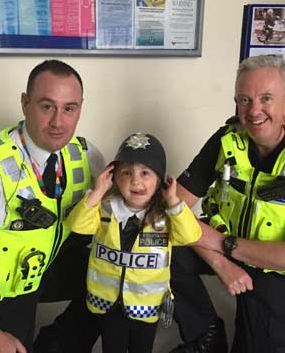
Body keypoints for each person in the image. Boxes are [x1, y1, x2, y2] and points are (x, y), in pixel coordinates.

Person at [0, 59, 104, 352]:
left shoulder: (84, 154)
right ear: (26, 104)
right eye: (47, 106)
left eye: (69, 108)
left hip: (50, 262)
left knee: (116, 282)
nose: (58, 122)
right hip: (4, 284)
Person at [169, 54, 285, 353]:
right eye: (244, 100)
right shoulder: (227, 139)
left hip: (274, 267)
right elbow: (170, 206)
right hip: (226, 244)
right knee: (159, 244)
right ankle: (205, 336)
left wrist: (223, 245)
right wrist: (222, 262)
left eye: (266, 98)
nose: (254, 110)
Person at [66, 132, 206, 353]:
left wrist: (173, 201)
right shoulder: (104, 207)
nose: (135, 181)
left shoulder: (166, 215)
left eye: (145, 173)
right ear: (114, 177)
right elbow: (77, 225)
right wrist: (98, 191)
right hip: (107, 304)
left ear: (160, 179)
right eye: (126, 172)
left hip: (146, 307)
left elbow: (191, 235)